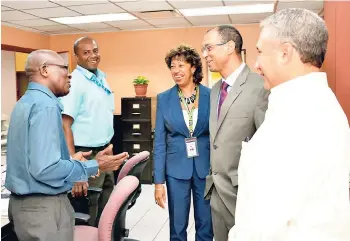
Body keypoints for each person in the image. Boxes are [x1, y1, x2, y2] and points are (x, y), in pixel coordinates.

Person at [228, 8, 350, 241]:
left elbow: (265, 223)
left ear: (285, 53)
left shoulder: (301, 118)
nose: (256, 64)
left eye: (260, 52)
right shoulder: (312, 104)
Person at [5, 49, 129, 241]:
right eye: (64, 68)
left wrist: (70, 159)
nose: (69, 73)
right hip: (43, 209)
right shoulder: (46, 106)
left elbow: (35, 159)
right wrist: (95, 165)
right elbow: (46, 169)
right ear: (45, 70)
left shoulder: (26, 102)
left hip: (27, 207)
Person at [201, 25, 269, 241]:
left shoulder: (260, 87)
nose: (205, 55)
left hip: (244, 193)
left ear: (230, 46)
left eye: (209, 48)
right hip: (216, 191)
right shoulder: (214, 90)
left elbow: (267, 146)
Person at [154, 44, 213, 241]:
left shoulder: (210, 95)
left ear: (193, 67)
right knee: (177, 227)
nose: (176, 71)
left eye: (181, 65)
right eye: (172, 66)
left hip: (205, 168)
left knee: (206, 225)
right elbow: (160, 142)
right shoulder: (164, 99)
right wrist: (158, 182)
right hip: (176, 169)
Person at [60, 37, 115, 226]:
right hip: (85, 154)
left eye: (95, 50)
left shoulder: (100, 78)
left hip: (104, 151)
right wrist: (75, 169)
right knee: (89, 212)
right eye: (86, 52)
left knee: (107, 211)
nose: (93, 55)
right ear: (76, 57)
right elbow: (65, 124)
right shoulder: (75, 81)